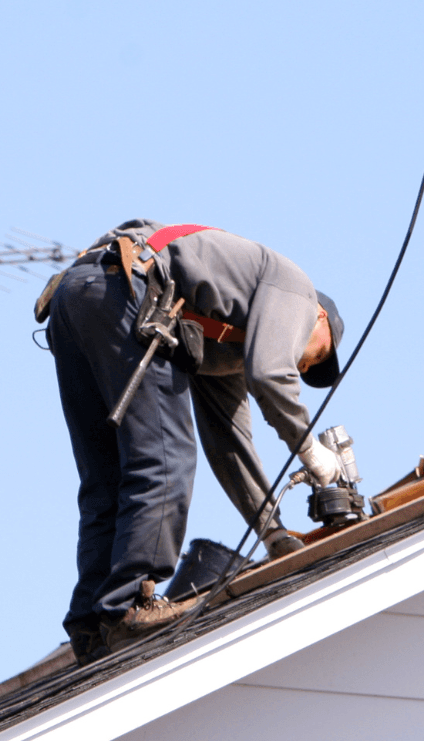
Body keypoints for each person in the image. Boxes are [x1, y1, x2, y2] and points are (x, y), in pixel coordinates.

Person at [43, 220, 346, 663]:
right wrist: (310, 450)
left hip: (81, 293)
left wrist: (273, 532)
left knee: (108, 478)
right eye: (317, 352)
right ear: (319, 315)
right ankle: (129, 606)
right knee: (166, 460)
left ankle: (91, 625)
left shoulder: (225, 341)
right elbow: (270, 374)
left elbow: (230, 442)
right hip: (127, 288)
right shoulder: (296, 290)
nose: (303, 364)